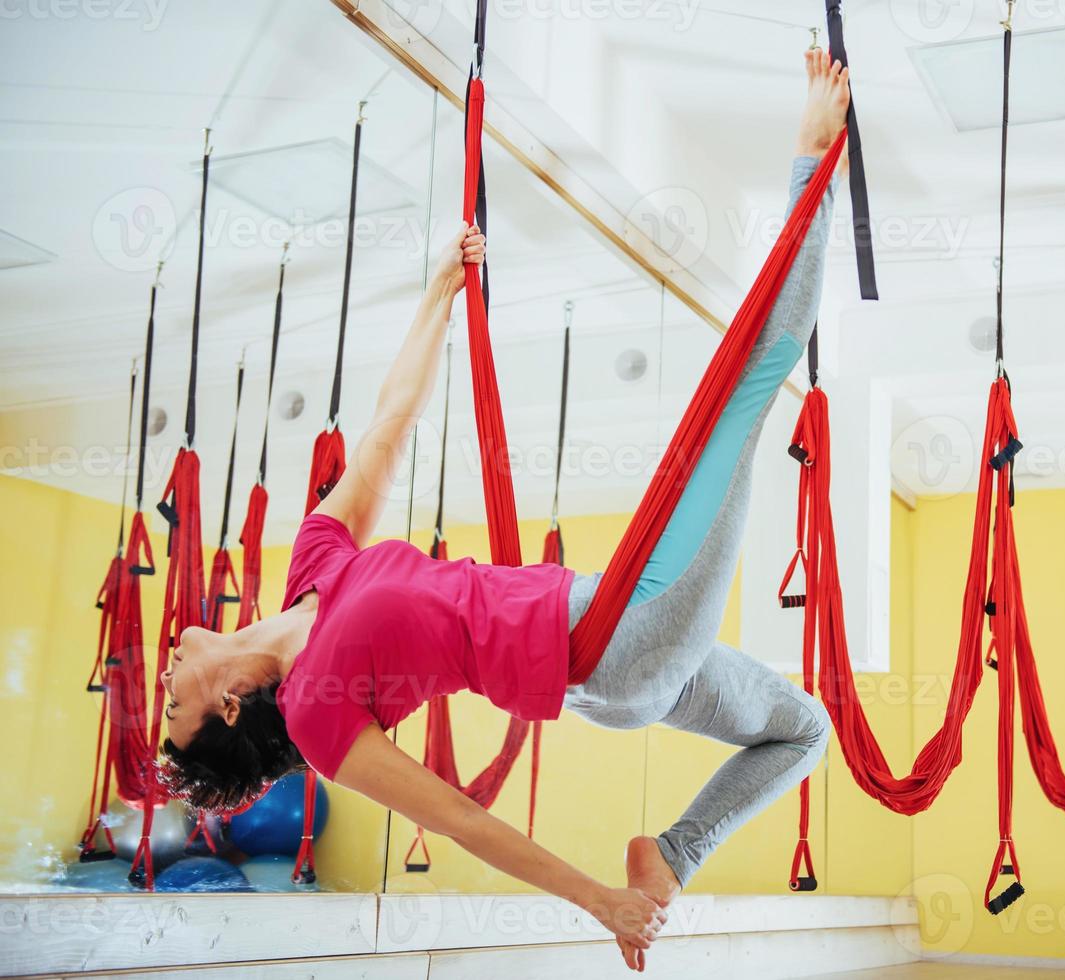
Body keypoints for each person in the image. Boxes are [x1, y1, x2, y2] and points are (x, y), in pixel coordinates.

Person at [161, 48, 850, 970]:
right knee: (753, 381)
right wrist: (596, 900)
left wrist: (439, 293)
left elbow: (383, 433)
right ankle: (812, 166)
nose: (167, 666)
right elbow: (460, 819)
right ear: (233, 706)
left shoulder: (313, 571)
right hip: (623, 634)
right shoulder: (323, 719)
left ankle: (674, 856)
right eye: (174, 700)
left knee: (801, 729)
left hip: (611, 656)